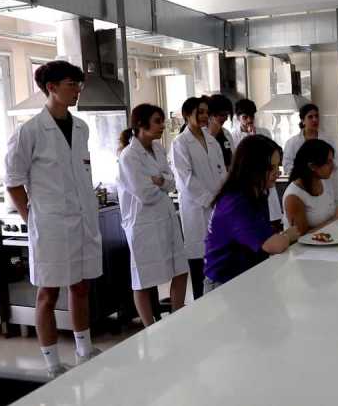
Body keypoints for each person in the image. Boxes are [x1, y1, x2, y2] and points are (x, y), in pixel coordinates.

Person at [5, 60, 102, 377]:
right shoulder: (29, 132)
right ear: (51, 87)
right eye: (71, 84)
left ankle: (85, 350)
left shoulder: (81, 128)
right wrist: (31, 218)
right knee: (48, 293)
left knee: (81, 286)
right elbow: (13, 182)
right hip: (50, 226)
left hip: (81, 221)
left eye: (78, 85)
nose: (77, 90)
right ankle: (52, 362)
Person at [117, 104, 188, 327]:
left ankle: (177, 319)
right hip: (143, 224)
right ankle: (149, 328)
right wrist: (161, 182)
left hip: (166, 218)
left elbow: (172, 182)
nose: (162, 126)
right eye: (157, 121)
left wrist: (159, 181)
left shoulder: (158, 148)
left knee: (180, 270)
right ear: (141, 124)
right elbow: (144, 194)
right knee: (144, 279)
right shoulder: (129, 156)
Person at [203, 135, 299, 293]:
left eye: (278, 166)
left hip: (247, 275)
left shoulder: (257, 193)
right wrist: (288, 235)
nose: (277, 172)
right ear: (252, 168)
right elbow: (273, 245)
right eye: (271, 168)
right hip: (224, 284)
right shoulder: (235, 202)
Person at [170, 96, 226, 300]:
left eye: (206, 112)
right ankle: (201, 304)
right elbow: (185, 179)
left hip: (217, 206)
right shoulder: (180, 143)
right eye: (199, 112)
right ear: (187, 115)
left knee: (218, 258)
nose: (204, 116)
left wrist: (223, 196)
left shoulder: (211, 140)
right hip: (196, 209)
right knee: (199, 260)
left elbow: (222, 171)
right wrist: (209, 199)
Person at [231, 98, 283, 226]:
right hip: (248, 185)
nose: (249, 120)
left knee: (273, 220)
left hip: (266, 181)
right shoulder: (233, 137)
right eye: (245, 117)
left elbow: (270, 155)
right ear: (237, 118)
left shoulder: (264, 133)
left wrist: (254, 137)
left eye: (252, 116)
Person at [283, 139, 338, 234]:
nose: (333, 166)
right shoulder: (293, 196)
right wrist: (335, 219)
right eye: (328, 162)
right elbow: (301, 237)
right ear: (312, 166)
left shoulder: (325, 182)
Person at [283, 104, 327, 175]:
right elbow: (287, 165)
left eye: (316, 116)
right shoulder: (292, 143)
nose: (315, 119)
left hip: (323, 179)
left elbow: (334, 163)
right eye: (310, 117)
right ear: (303, 120)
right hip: (301, 180)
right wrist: (303, 174)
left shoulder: (327, 140)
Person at [206, 94, 235, 169]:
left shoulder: (227, 134)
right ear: (210, 114)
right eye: (222, 115)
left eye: (227, 115)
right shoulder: (202, 135)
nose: (225, 118)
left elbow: (232, 158)